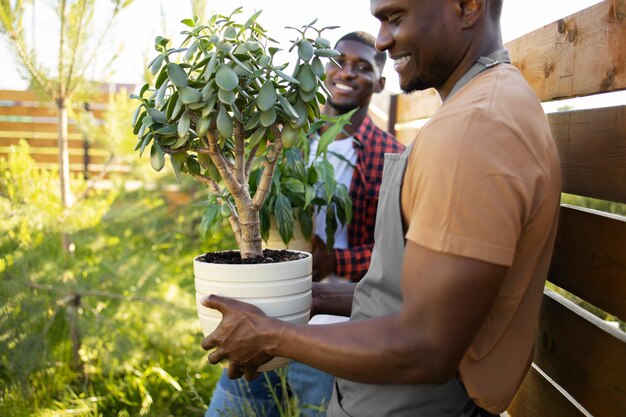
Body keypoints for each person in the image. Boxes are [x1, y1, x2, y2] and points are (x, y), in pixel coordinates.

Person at [202, 0, 562, 416]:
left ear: (467, 6)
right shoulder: (476, 110)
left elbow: (425, 346)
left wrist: (269, 335)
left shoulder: (476, 128)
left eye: (395, 17)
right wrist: (310, 296)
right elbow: (414, 296)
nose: (384, 40)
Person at [205, 31, 404, 417]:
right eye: (338, 61)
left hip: (333, 325)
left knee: (317, 406)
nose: (346, 72)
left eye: (362, 67)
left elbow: (395, 253)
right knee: (232, 409)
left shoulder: (391, 155)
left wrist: (337, 263)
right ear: (320, 68)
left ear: (380, 82)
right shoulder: (282, 141)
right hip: (263, 306)